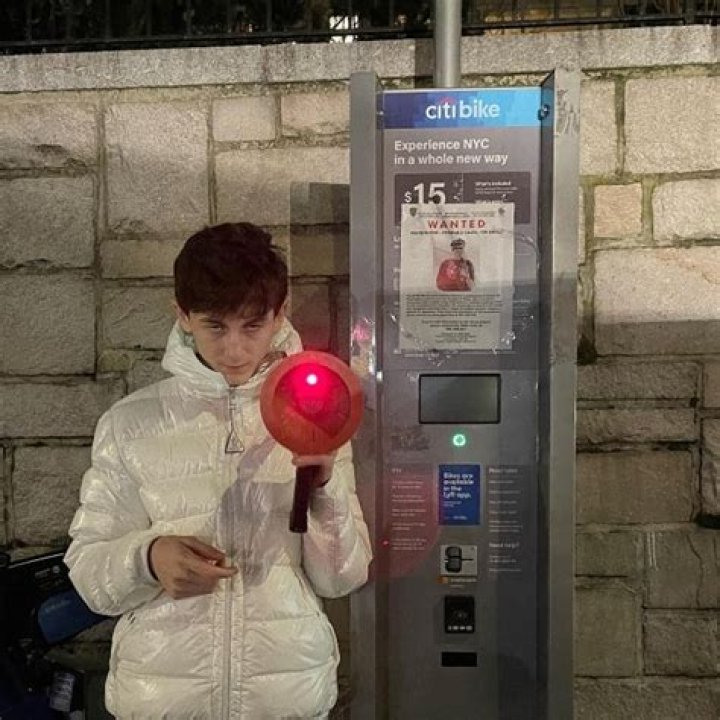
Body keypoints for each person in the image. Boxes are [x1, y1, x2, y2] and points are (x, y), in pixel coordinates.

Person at [64, 222, 372, 720]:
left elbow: (343, 577)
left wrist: (325, 489)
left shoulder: (318, 415)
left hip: (283, 699)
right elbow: (88, 573)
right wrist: (148, 559)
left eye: (252, 326)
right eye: (215, 326)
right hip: (163, 700)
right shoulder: (130, 423)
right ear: (182, 315)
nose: (234, 349)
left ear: (280, 313)